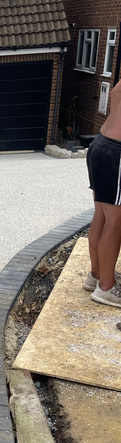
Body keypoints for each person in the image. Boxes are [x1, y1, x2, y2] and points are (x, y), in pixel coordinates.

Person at [84, 79, 121, 307]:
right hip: (117, 153)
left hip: (100, 145)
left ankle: (96, 274)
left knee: (102, 214)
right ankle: (106, 287)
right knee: (115, 222)